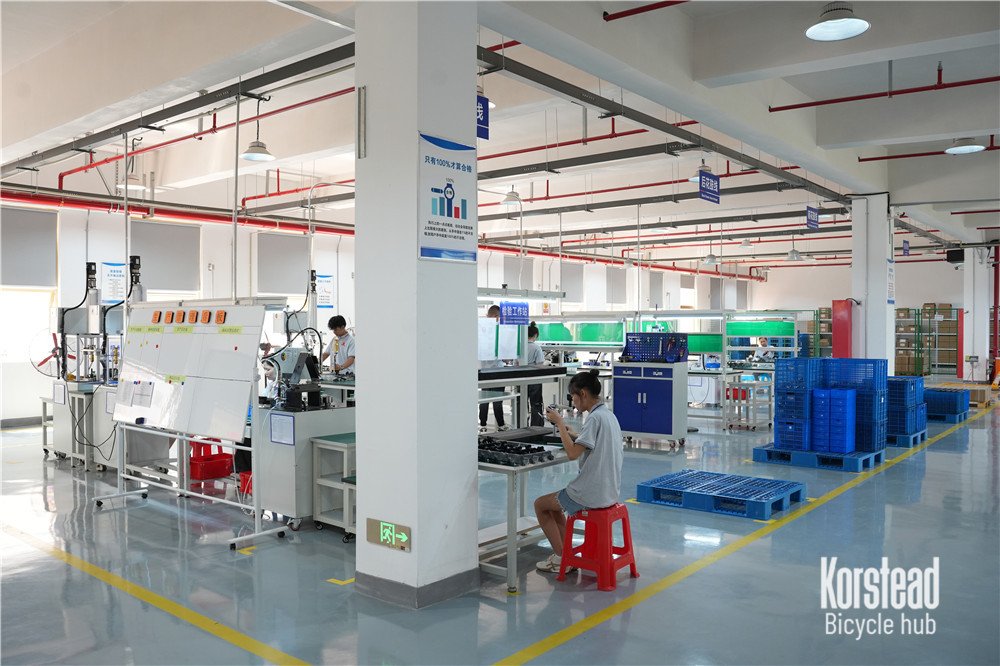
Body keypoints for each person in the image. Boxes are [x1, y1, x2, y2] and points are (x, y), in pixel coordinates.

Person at [533, 369, 623, 573]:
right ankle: (566, 555)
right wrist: (574, 434)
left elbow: (573, 454)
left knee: (540, 505)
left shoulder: (593, 418)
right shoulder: (607, 415)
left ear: (582, 393)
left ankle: (562, 559)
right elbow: (592, 442)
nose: (572, 401)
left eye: (572, 396)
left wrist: (560, 424)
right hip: (610, 490)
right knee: (556, 505)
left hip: (591, 493)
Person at [480, 305, 508, 432]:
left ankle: (483, 424)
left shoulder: (482, 330)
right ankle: (501, 425)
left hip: (484, 371)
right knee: (497, 399)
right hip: (497, 371)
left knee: (484, 399)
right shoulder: (499, 331)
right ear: (497, 316)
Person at [524, 322, 546, 427]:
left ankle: (521, 425)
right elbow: (540, 364)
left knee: (521, 403)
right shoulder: (536, 348)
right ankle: (536, 427)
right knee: (536, 403)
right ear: (535, 335)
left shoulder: (520, 346)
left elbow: (515, 363)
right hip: (534, 379)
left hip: (520, 378)